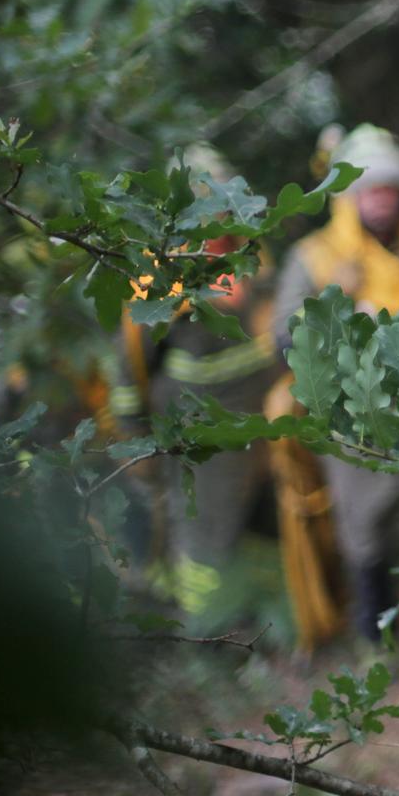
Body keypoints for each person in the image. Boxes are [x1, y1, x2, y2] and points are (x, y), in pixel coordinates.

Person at [272, 123, 399, 643]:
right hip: (353, 420)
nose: (380, 201)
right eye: (368, 190)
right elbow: (282, 339)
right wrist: (335, 309)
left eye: (389, 189)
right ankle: (377, 643)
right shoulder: (314, 260)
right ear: (349, 199)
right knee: (365, 536)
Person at [112, 144, 280, 605]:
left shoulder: (251, 250)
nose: (215, 213)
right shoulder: (161, 273)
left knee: (261, 526)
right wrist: (134, 432)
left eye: (222, 201)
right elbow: (132, 361)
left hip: (262, 421)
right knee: (204, 534)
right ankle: (204, 633)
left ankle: (256, 618)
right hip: (198, 430)